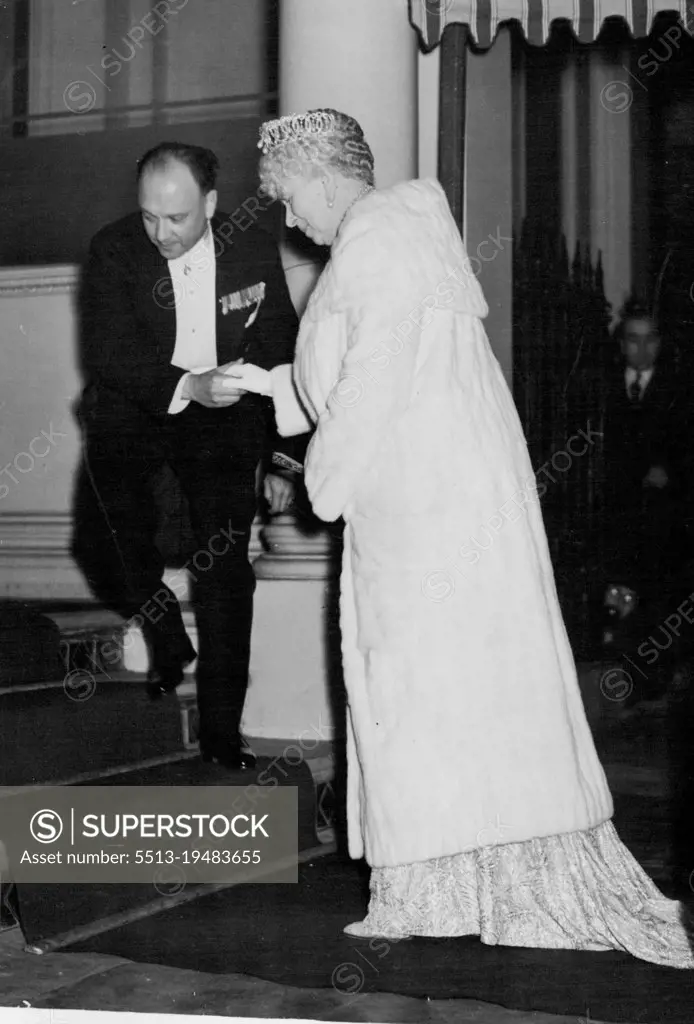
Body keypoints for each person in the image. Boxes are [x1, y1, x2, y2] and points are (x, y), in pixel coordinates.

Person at [224, 109, 694, 964]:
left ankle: (477, 887)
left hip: (423, 517)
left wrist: (320, 482)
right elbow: (364, 366)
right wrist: (261, 383)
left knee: (433, 696)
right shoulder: (402, 238)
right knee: (456, 697)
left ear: (326, 179)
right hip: (441, 504)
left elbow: (364, 389)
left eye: (291, 198)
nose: (291, 219)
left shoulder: (375, 245)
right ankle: (453, 886)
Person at [72, 142, 305, 772]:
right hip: (135, 410)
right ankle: (163, 628)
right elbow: (110, 353)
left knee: (225, 569)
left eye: (176, 219)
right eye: (149, 216)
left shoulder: (250, 245)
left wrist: (285, 455)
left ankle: (223, 735)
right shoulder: (115, 248)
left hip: (222, 420)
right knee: (108, 546)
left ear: (209, 203)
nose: (161, 233)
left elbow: (280, 339)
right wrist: (186, 385)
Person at [600, 305, 690, 705]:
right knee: (621, 598)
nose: (641, 348)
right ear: (622, 345)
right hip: (620, 517)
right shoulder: (605, 388)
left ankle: (657, 678)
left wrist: (669, 471)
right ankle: (627, 679)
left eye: (649, 339)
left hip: (664, 520)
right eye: (632, 339)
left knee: (659, 599)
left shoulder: (679, 391)